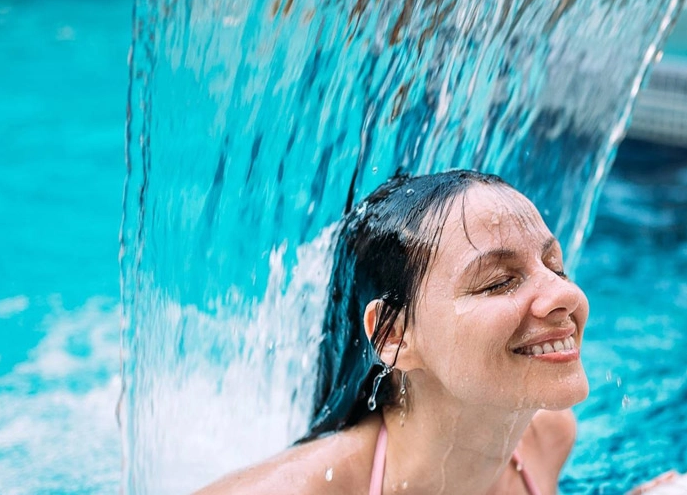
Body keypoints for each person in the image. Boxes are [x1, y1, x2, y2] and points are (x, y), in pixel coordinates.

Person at [197, 169, 589, 495]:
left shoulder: (548, 440)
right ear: (394, 336)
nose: (566, 294)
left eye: (554, 267)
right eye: (499, 281)